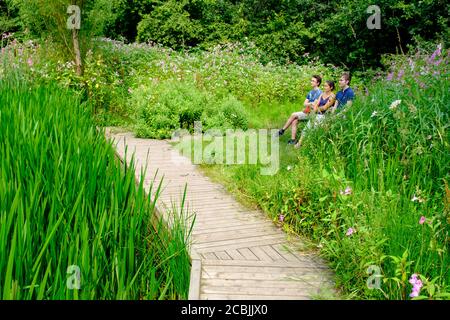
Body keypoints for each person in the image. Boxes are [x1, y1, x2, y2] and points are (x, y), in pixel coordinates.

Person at [278, 75, 322, 144]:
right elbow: (304, 103)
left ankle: (282, 130)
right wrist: (310, 104)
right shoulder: (310, 92)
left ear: (318, 83)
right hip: (306, 112)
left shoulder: (320, 93)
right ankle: (293, 140)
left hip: (312, 114)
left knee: (293, 114)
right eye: (311, 80)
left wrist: (309, 104)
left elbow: (314, 105)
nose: (311, 82)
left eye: (313, 81)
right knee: (294, 120)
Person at [295, 80, 336, 148]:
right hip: (317, 114)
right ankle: (299, 143)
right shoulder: (322, 94)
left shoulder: (332, 96)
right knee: (307, 127)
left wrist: (317, 109)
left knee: (314, 127)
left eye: (326, 86)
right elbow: (316, 104)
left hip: (325, 115)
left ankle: (307, 145)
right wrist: (314, 111)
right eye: (323, 86)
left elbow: (325, 107)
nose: (324, 87)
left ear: (331, 87)